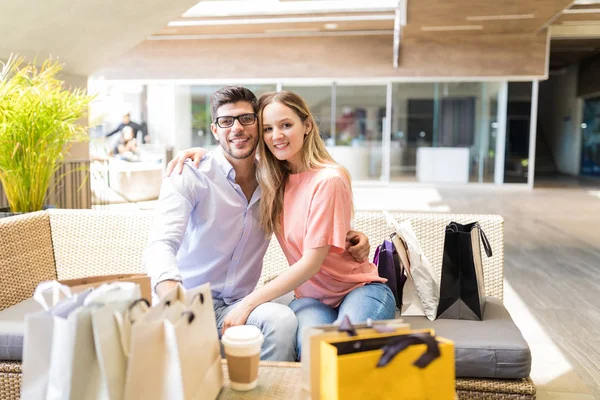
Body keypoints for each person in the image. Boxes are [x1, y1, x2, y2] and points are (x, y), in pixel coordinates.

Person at [146, 86, 371, 362]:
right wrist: (171, 294)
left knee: (282, 320)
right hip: (188, 305)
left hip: (239, 306)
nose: (237, 128)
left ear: (256, 126)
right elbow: (161, 243)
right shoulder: (190, 174)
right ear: (214, 130)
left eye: (246, 119)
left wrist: (351, 234)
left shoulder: (274, 180)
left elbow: (313, 204)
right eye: (226, 121)